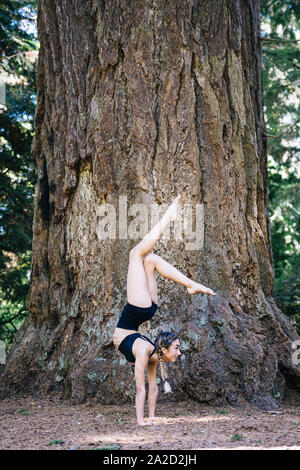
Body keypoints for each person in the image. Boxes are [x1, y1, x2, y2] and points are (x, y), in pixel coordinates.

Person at [113, 194, 216, 425]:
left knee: (145, 258)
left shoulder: (149, 354)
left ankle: (189, 282)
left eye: (178, 349)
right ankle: (189, 282)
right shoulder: (149, 350)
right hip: (139, 311)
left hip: (142, 312)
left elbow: (146, 387)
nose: (179, 353)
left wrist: (148, 420)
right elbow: (143, 388)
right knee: (140, 257)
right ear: (163, 348)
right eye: (177, 348)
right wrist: (143, 421)